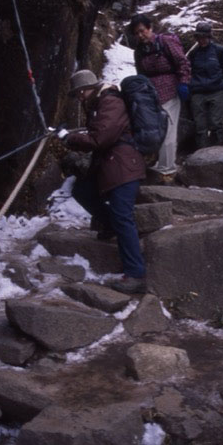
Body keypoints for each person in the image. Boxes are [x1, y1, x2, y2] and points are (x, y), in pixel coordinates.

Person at [64, 69, 147, 294]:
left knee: (123, 216)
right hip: (111, 166)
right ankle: (108, 224)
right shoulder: (98, 104)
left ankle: (136, 274)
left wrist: (69, 138)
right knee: (82, 190)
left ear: (90, 88)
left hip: (123, 166)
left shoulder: (110, 102)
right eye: (77, 94)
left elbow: (100, 138)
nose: (80, 97)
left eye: (81, 92)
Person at [129, 13, 191, 177]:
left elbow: (182, 62)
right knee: (155, 129)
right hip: (152, 94)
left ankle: (168, 167)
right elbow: (141, 74)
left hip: (170, 90)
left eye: (142, 30)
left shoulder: (165, 42)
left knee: (169, 129)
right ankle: (160, 161)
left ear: (150, 28)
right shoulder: (139, 51)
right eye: (136, 33)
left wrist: (183, 82)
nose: (140, 35)